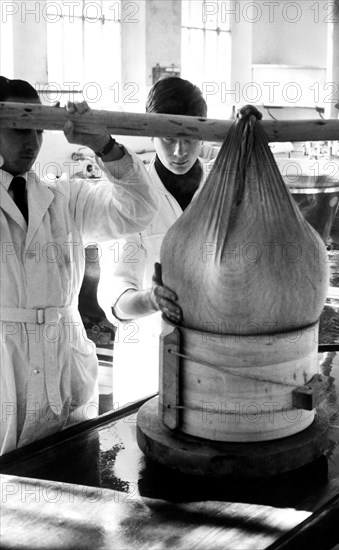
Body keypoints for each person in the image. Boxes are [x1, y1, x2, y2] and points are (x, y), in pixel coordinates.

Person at [0, 77, 159, 454]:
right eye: (19, 128)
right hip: (8, 367)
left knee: (75, 472)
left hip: (66, 360)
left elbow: (137, 211)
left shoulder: (64, 197)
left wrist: (102, 145)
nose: (32, 141)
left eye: (39, 128)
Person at [97, 77, 209, 406]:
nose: (179, 151)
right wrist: (152, 300)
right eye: (168, 137)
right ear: (150, 132)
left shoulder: (222, 191)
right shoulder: (128, 197)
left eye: (190, 138)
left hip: (214, 360)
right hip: (148, 365)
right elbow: (115, 300)